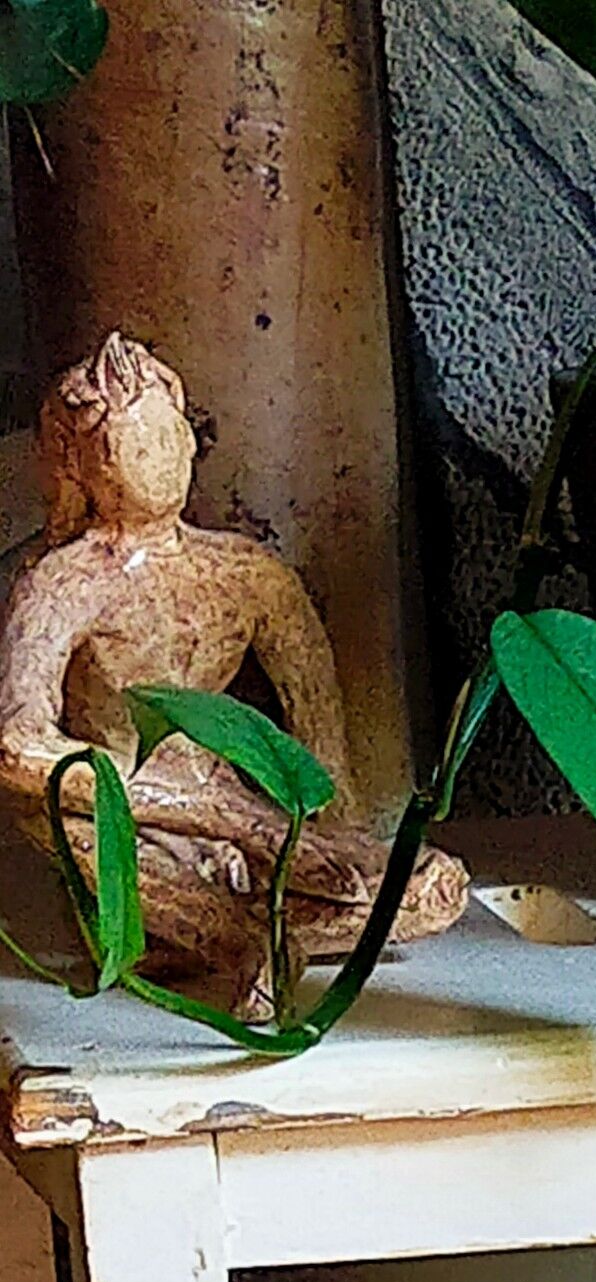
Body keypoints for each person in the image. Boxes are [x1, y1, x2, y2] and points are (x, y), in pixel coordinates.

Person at [0, 333, 464, 1003]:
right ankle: (241, 937)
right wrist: (208, 814)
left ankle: (267, 933)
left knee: (431, 890)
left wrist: (331, 841)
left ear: (192, 442)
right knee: (69, 836)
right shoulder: (62, 584)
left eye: (171, 437)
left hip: (239, 808)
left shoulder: (253, 577)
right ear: (82, 467)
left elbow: (323, 760)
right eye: (133, 446)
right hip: (115, 810)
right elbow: (18, 747)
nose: (160, 460)